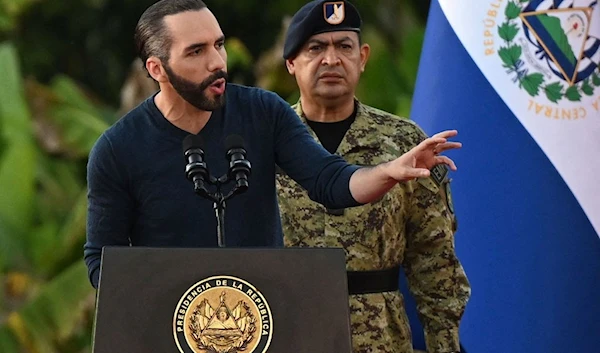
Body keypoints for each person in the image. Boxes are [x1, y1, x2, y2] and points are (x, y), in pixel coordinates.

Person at [84, 0, 461, 290]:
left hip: (262, 321)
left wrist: (388, 173)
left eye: (219, 45)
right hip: (172, 326)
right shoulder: (117, 150)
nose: (217, 63)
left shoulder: (263, 111)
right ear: (157, 69)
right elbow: (103, 263)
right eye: (196, 52)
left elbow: (330, 181)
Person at [276, 1, 470, 353]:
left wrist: (446, 343)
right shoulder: (265, 143)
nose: (331, 60)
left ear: (363, 58)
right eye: (316, 48)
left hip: (380, 336)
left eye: (344, 47)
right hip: (287, 330)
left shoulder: (404, 142)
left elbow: (433, 255)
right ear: (291, 62)